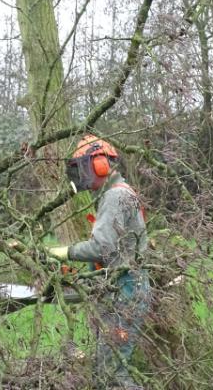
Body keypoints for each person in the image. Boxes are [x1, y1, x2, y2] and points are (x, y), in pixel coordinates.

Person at [47, 135, 150, 390]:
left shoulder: (115, 196)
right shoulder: (119, 193)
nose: (82, 175)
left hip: (125, 291)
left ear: (100, 165)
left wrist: (64, 252)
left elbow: (102, 247)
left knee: (111, 373)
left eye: (84, 167)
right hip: (120, 286)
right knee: (105, 368)